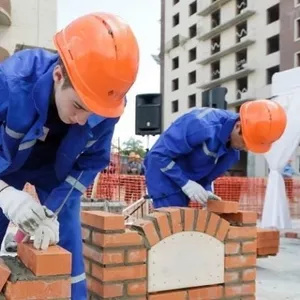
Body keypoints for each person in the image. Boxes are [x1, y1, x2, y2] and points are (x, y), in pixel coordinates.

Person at [0, 12, 139, 299]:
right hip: (6, 167)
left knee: (69, 243)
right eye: (78, 105)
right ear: (58, 76)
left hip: (56, 173)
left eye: (93, 112)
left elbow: (91, 161)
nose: (81, 119)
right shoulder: (12, 82)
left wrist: (52, 210)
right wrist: (4, 193)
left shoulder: (106, 104)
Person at [144, 100, 287, 208]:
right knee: (172, 226)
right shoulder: (200, 125)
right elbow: (157, 155)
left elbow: (206, 175)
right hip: (164, 178)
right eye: (246, 143)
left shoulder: (231, 153)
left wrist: (206, 191)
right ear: (238, 127)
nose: (245, 149)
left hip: (187, 180)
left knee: (184, 226)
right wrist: (185, 183)